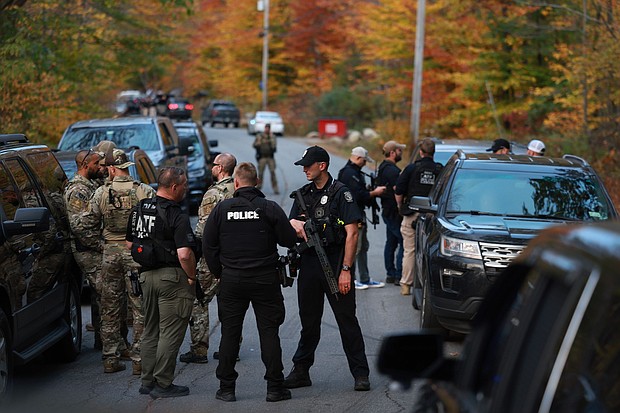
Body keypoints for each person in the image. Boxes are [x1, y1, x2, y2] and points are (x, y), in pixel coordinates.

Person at [203, 162, 297, 403]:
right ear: (257, 183)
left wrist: (218, 273)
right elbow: (288, 239)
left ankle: (226, 388)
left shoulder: (222, 209)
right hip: (265, 278)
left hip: (232, 279)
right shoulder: (269, 207)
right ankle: (275, 388)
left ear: (235, 183)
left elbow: (208, 245)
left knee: (230, 334)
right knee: (269, 332)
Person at [284, 145, 371, 392]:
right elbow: (289, 227)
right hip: (309, 264)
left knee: (347, 321)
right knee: (309, 323)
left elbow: (352, 233)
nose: (304, 170)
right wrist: (292, 223)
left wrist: (346, 269)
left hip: (335, 263)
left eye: (308, 165)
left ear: (322, 165)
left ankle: (360, 373)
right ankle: (301, 371)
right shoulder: (302, 195)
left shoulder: (341, 193)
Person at [126, 167, 198, 399]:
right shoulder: (177, 214)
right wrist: (191, 277)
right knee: (170, 333)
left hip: (146, 277)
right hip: (171, 278)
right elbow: (185, 254)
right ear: (174, 187)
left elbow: (129, 244)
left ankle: (147, 381)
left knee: (151, 330)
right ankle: (163, 383)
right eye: (184, 185)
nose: (186, 189)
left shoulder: (139, 208)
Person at [83, 149, 156, 374]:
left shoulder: (101, 193)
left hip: (110, 253)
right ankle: (139, 361)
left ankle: (110, 359)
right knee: (139, 308)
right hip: (136, 252)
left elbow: (87, 222)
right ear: (128, 167)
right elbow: (156, 222)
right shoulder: (144, 191)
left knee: (110, 307)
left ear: (112, 169)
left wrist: (101, 243)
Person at [179, 152, 236, 364]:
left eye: (214, 165)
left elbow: (203, 229)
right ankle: (231, 348)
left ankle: (199, 349)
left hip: (213, 257)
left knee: (199, 300)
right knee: (230, 303)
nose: (211, 168)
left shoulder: (213, 193)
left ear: (221, 168)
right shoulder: (239, 189)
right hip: (235, 256)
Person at [63, 149, 105, 349]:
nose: (100, 167)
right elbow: (79, 227)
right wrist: (101, 246)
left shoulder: (91, 185)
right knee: (107, 294)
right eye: (97, 163)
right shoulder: (78, 191)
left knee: (101, 295)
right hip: (87, 249)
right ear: (85, 164)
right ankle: (109, 344)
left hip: (94, 247)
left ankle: (104, 340)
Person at [394, 138, 443, 296]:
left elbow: (399, 190)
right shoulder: (440, 170)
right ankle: (427, 285)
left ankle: (406, 285)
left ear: (421, 152)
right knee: (431, 251)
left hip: (412, 214)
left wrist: (400, 206)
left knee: (409, 250)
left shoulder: (411, 168)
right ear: (433, 153)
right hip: (432, 216)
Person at [337, 146, 386, 289]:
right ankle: (351, 278)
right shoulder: (348, 174)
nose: (365, 164)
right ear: (358, 158)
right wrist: (374, 193)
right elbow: (356, 196)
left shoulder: (354, 173)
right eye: (364, 161)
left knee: (363, 246)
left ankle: (364, 278)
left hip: (359, 215)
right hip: (353, 216)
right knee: (355, 247)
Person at [377, 140, 406, 285]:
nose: (402, 153)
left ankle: (391, 273)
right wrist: (401, 207)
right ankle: (399, 275)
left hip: (387, 210)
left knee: (391, 242)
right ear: (393, 153)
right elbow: (397, 191)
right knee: (403, 241)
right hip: (394, 212)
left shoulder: (383, 167)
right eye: (400, 151)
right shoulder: (392, 171)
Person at [253, 123, 279, 194]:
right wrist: (259, 143)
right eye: (266, 128)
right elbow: (255, 145)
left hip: (270, 157)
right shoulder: (260, 136)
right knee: (260, 173)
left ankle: (275, 188)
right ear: (264, 128)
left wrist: (270, 138)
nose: (267, 129)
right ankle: (258, 187)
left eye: (268, 128)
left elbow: (274, 147)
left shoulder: (272, 136)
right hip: (262, 157)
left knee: (272, 172)